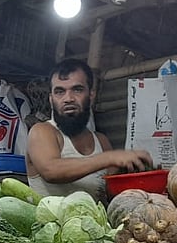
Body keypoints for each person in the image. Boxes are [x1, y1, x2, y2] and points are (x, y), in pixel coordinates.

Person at [26, 58, 153, 202]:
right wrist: (110, 158)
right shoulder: (42, 131)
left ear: (91, 95)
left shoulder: (101, 141)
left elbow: (111, 193)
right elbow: (51, 171)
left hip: (95, 224)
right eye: (60, 92)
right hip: (49, 224)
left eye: (77, 89)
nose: (68, 98)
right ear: (51, 99)